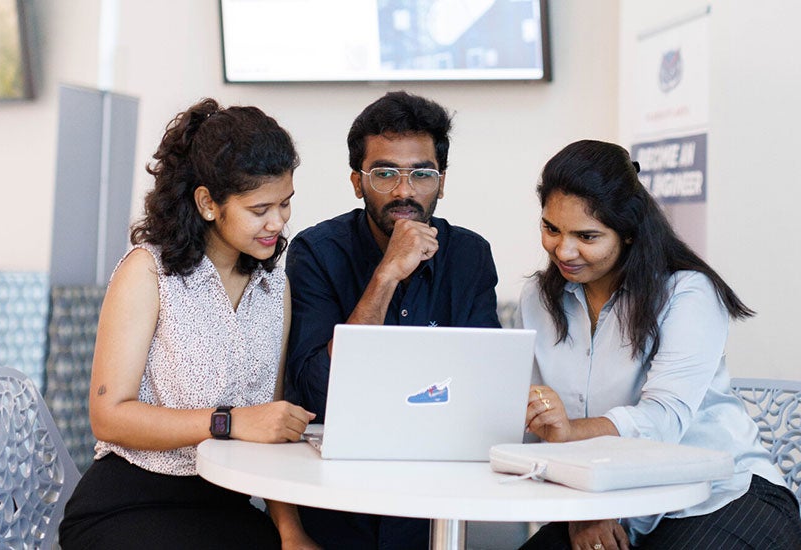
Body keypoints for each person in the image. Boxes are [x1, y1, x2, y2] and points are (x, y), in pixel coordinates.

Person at [58, 98, 319, 550]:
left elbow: (270, 423)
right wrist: (229, 422)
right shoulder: (147, 271)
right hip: (129, 503)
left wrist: (291, 533)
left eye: (285, 204)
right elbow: (108, 416)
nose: (277, 222)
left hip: (226, 507)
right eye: (260, 209)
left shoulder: (275, 284)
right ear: (207, 203)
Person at [518, 140, 801, 550]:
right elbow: (534, 423)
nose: (563, 250)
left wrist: (569, 433)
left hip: (722, 495)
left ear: (629, 233)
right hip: (608, 500)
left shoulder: (688, 294)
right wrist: (581, 510)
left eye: (587, 236)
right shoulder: (538, 299)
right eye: (551, 228)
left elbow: (663, 420)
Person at [282, 91, 500, 549]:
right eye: (384, 173)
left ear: (441, 182)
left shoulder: (470, 257)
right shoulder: (317, 252)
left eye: (421, 174)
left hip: (434, 494)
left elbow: (486, 391)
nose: (404, 191)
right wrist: (386, 276)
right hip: (334, 492)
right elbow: (314, 390)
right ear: (357, 182)